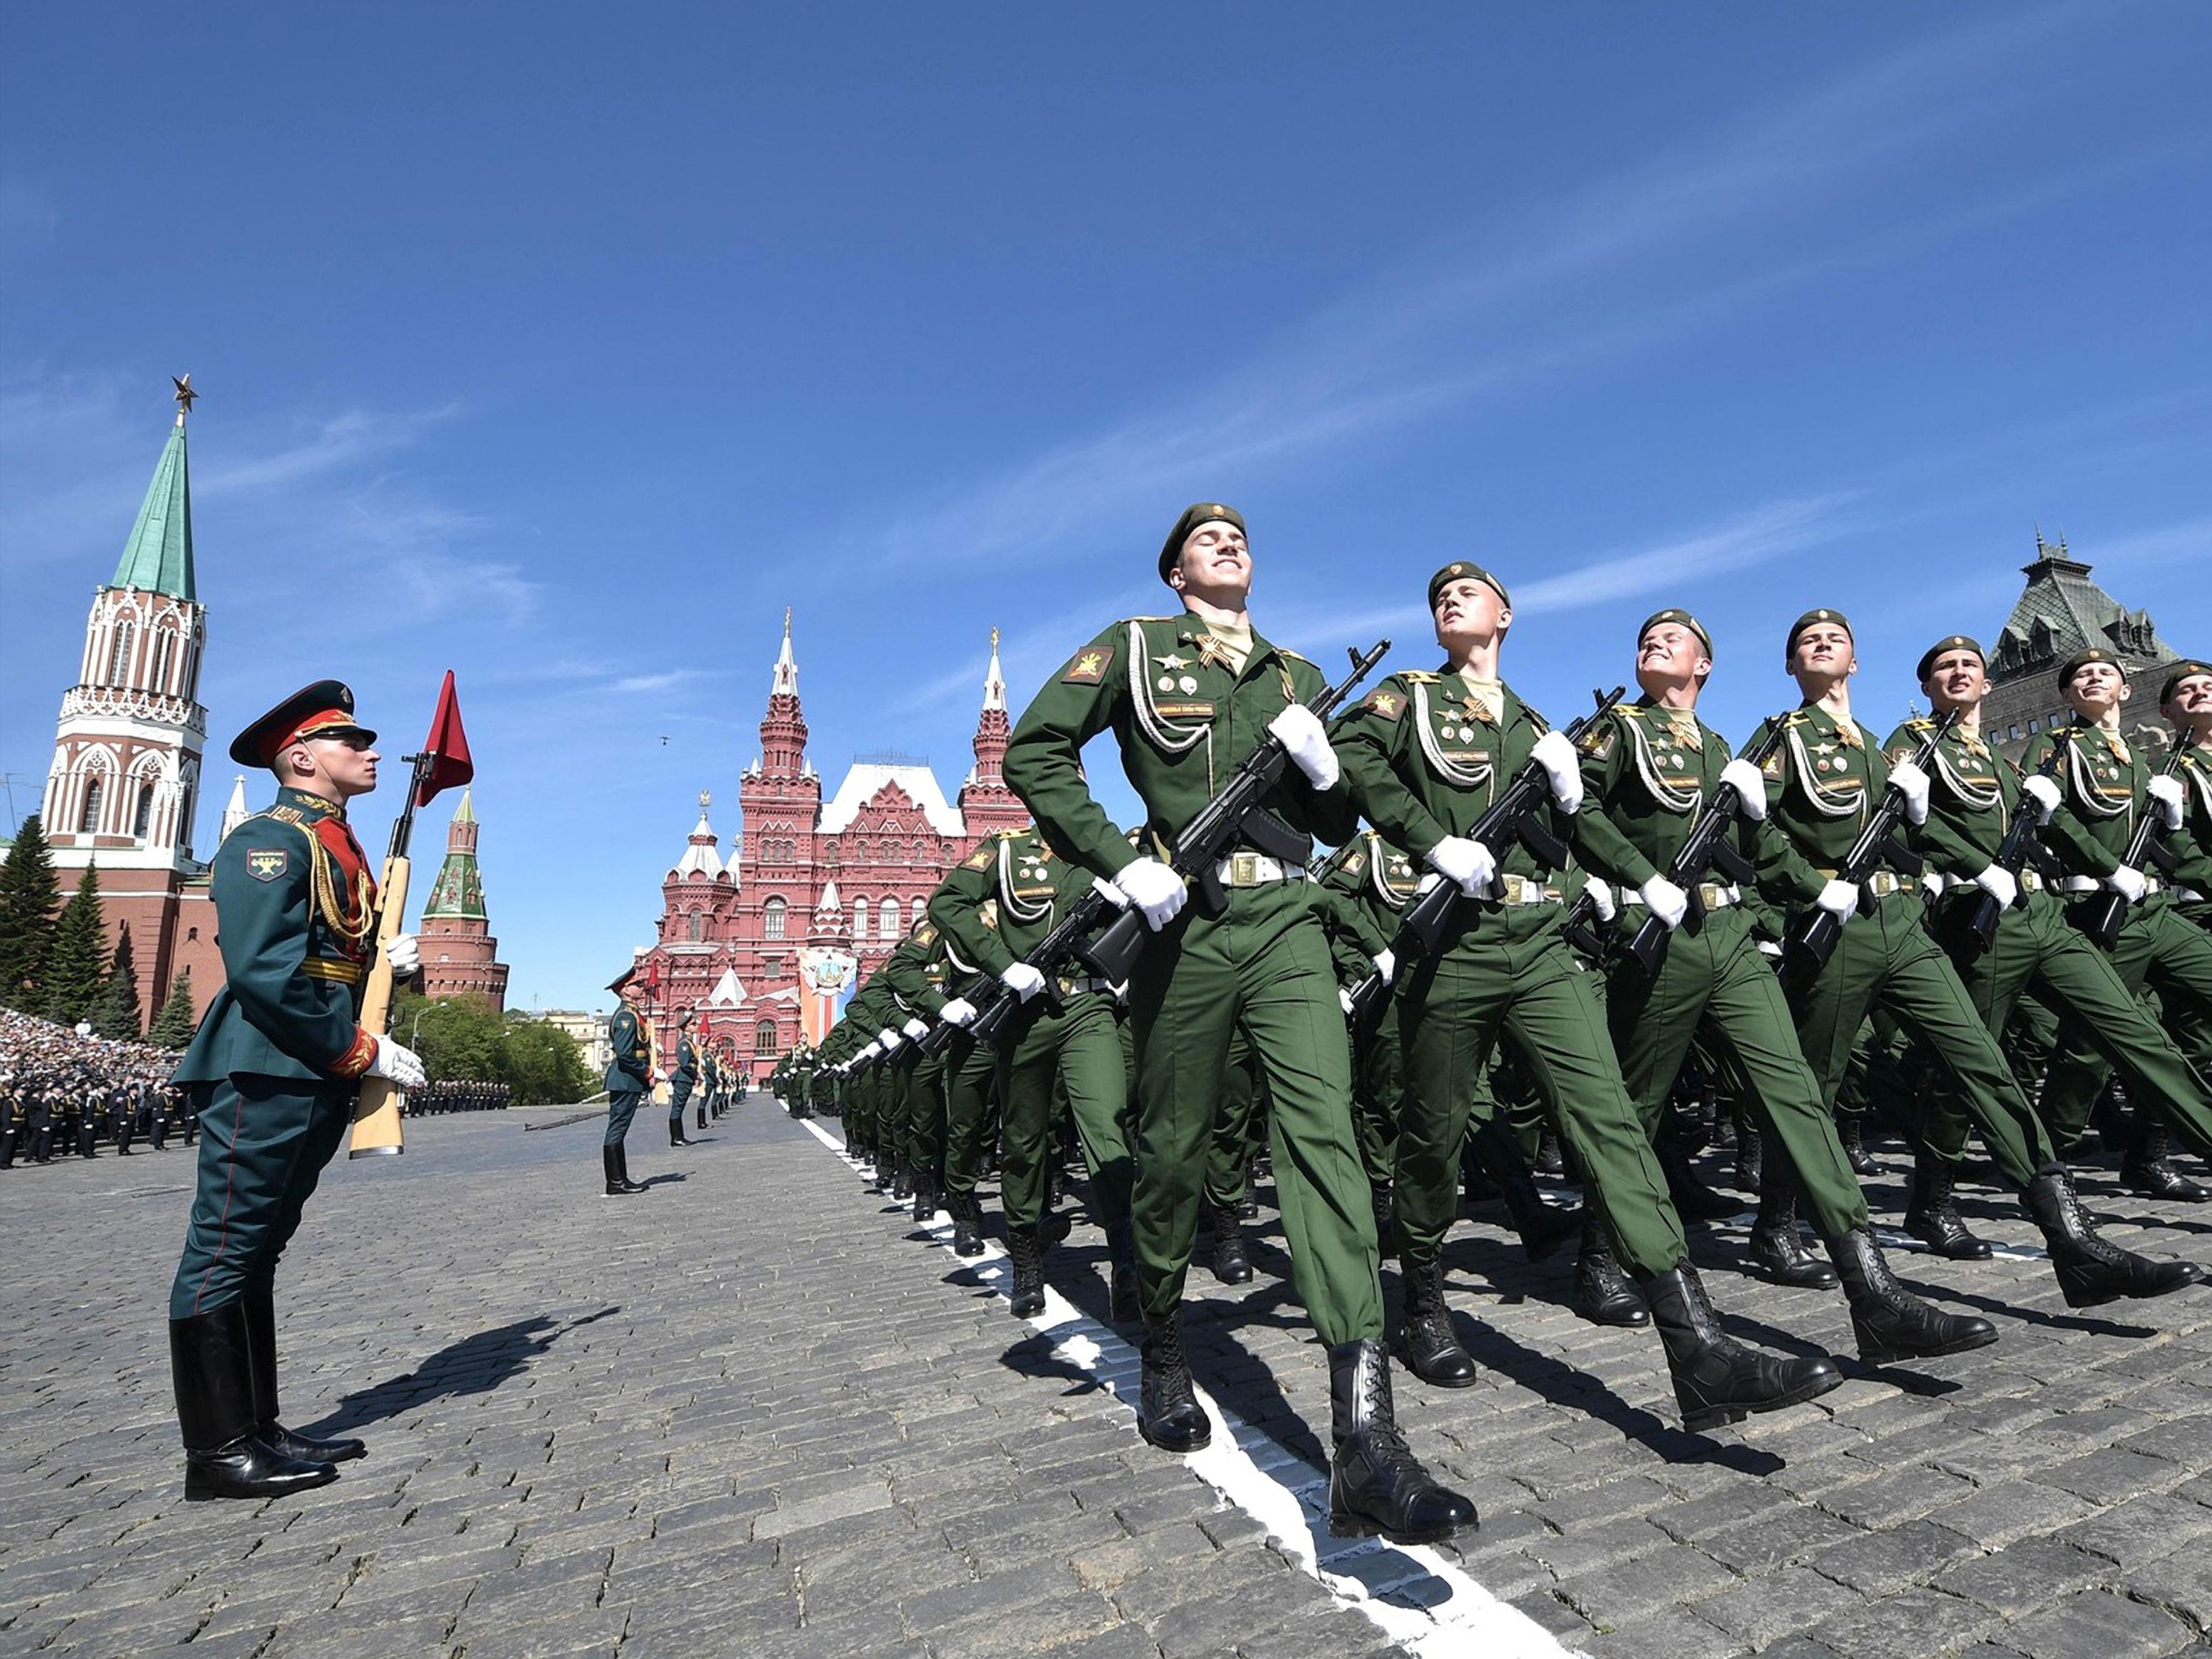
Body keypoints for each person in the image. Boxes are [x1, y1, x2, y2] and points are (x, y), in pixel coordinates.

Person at [1005, 502, 1474, 1545]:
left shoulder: (1299, 673)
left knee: (1324, 1146)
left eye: (1241, 538)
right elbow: (1035, 754)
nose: (1230, 545)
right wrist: (1116, 858)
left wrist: (1320, 770)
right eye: (1207, 541)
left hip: (1289, 921)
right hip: (1185, 927)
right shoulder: (1133, 649)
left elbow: (1340, 820)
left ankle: (1367, 1445)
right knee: (1171, 1152)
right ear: (1176, 573)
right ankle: (1164, 1348)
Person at [1333, 566, 1843, 1427]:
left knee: (1610, 1122)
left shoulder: (1538, 726)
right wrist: (1428, 841)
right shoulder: (1407, 696)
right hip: (1452, 945)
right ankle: (1421, 1298)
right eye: (1437, 598)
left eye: (1471, 592)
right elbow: (1350, 758)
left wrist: (1613, 869)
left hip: (1537, 944)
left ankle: (1698, 1344)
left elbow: (1586, 827)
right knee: (1435, 1134)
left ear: (1507, 613)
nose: (1450, 601)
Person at [1750, 613, 2198, 1309]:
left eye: (1838, 637)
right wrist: (1819, 889)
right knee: (1817, 1083)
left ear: (1858, 663)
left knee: (1984, 1066)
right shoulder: (1811, 738)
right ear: (1789, 666)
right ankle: (1776, 1224)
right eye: (1807, 640)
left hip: (1928, 922)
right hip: (1856, 928)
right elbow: (1757, 831)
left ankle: (2071, 1239)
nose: (1824, 643)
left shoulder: (1905, 749)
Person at [1578, 610, 1992, 1360]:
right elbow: (1577, 811)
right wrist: (1633, 880)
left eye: (1673, 641)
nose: (1653, 644)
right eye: (1645, 640)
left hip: (1730, 935)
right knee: (1636, 1107)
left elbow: (1756, 844)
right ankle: (1602, 1254)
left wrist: (1812, 886)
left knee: (1799, 1097)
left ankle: (1872, 1291)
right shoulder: (1619, 733)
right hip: (1661, 938)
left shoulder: (1717, 748)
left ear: (1703, 667)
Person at [167, 680, 428, 1501]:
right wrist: (359, 1046)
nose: (372, 752)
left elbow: (338, 954)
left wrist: (393, 970)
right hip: (266, 1067)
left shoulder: (335, 843)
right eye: (355, 741)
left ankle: (258, 1427)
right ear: (302, 758)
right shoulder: (267, 842)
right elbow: (265, 973)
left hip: (307, 1068)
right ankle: (215, 1454)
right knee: (223, 1252)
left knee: (260, 1252)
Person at [930, 821, 1139, 1310]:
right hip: (1025, 1014)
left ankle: (1127, 1261)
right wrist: (1003, 965)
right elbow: (946, 904)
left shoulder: (1107, 845)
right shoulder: (1006, 852)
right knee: (1023, 1140)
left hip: (1088, 1008)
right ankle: (1026, 1260)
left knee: (1107, 1127)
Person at [2022, 649, 2212, 1182]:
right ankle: (2046, 1163)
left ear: (2125, 691)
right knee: (2087, 1052)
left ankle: (2148, 1149)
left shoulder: (2140, 758)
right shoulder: (2057, 745)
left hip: (2152, 907)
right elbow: (2050, 817)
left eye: (2105, 673)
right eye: (2081, 675)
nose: (2093, 678)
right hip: (2098, 906)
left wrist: (2169, 819)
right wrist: (2108, 866)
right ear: (2065, 696)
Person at [603, 972, 651, 1195]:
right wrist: (647, 1071)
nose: (642, 987)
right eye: (637, 985)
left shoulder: (632, 1014)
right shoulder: (626, 1017)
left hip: (628, 1080)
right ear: (625, 990)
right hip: (625, 1079)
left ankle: (621, 1179)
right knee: (617, 1130)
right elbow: (624, 1053)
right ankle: (615, 1182)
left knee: (620, 1130)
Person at [667, 1011, 699, 1147]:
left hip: (686, 1079)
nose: (696, 1026)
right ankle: (676, 1138)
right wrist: (696, 1074)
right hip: (683, 1079)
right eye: (693, 1024)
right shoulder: (684, 1044)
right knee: (677, 1108)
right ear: (685, 1027)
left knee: (680, 1108)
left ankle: (679, 1136)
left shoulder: (689, 1042)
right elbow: (686, 1064)